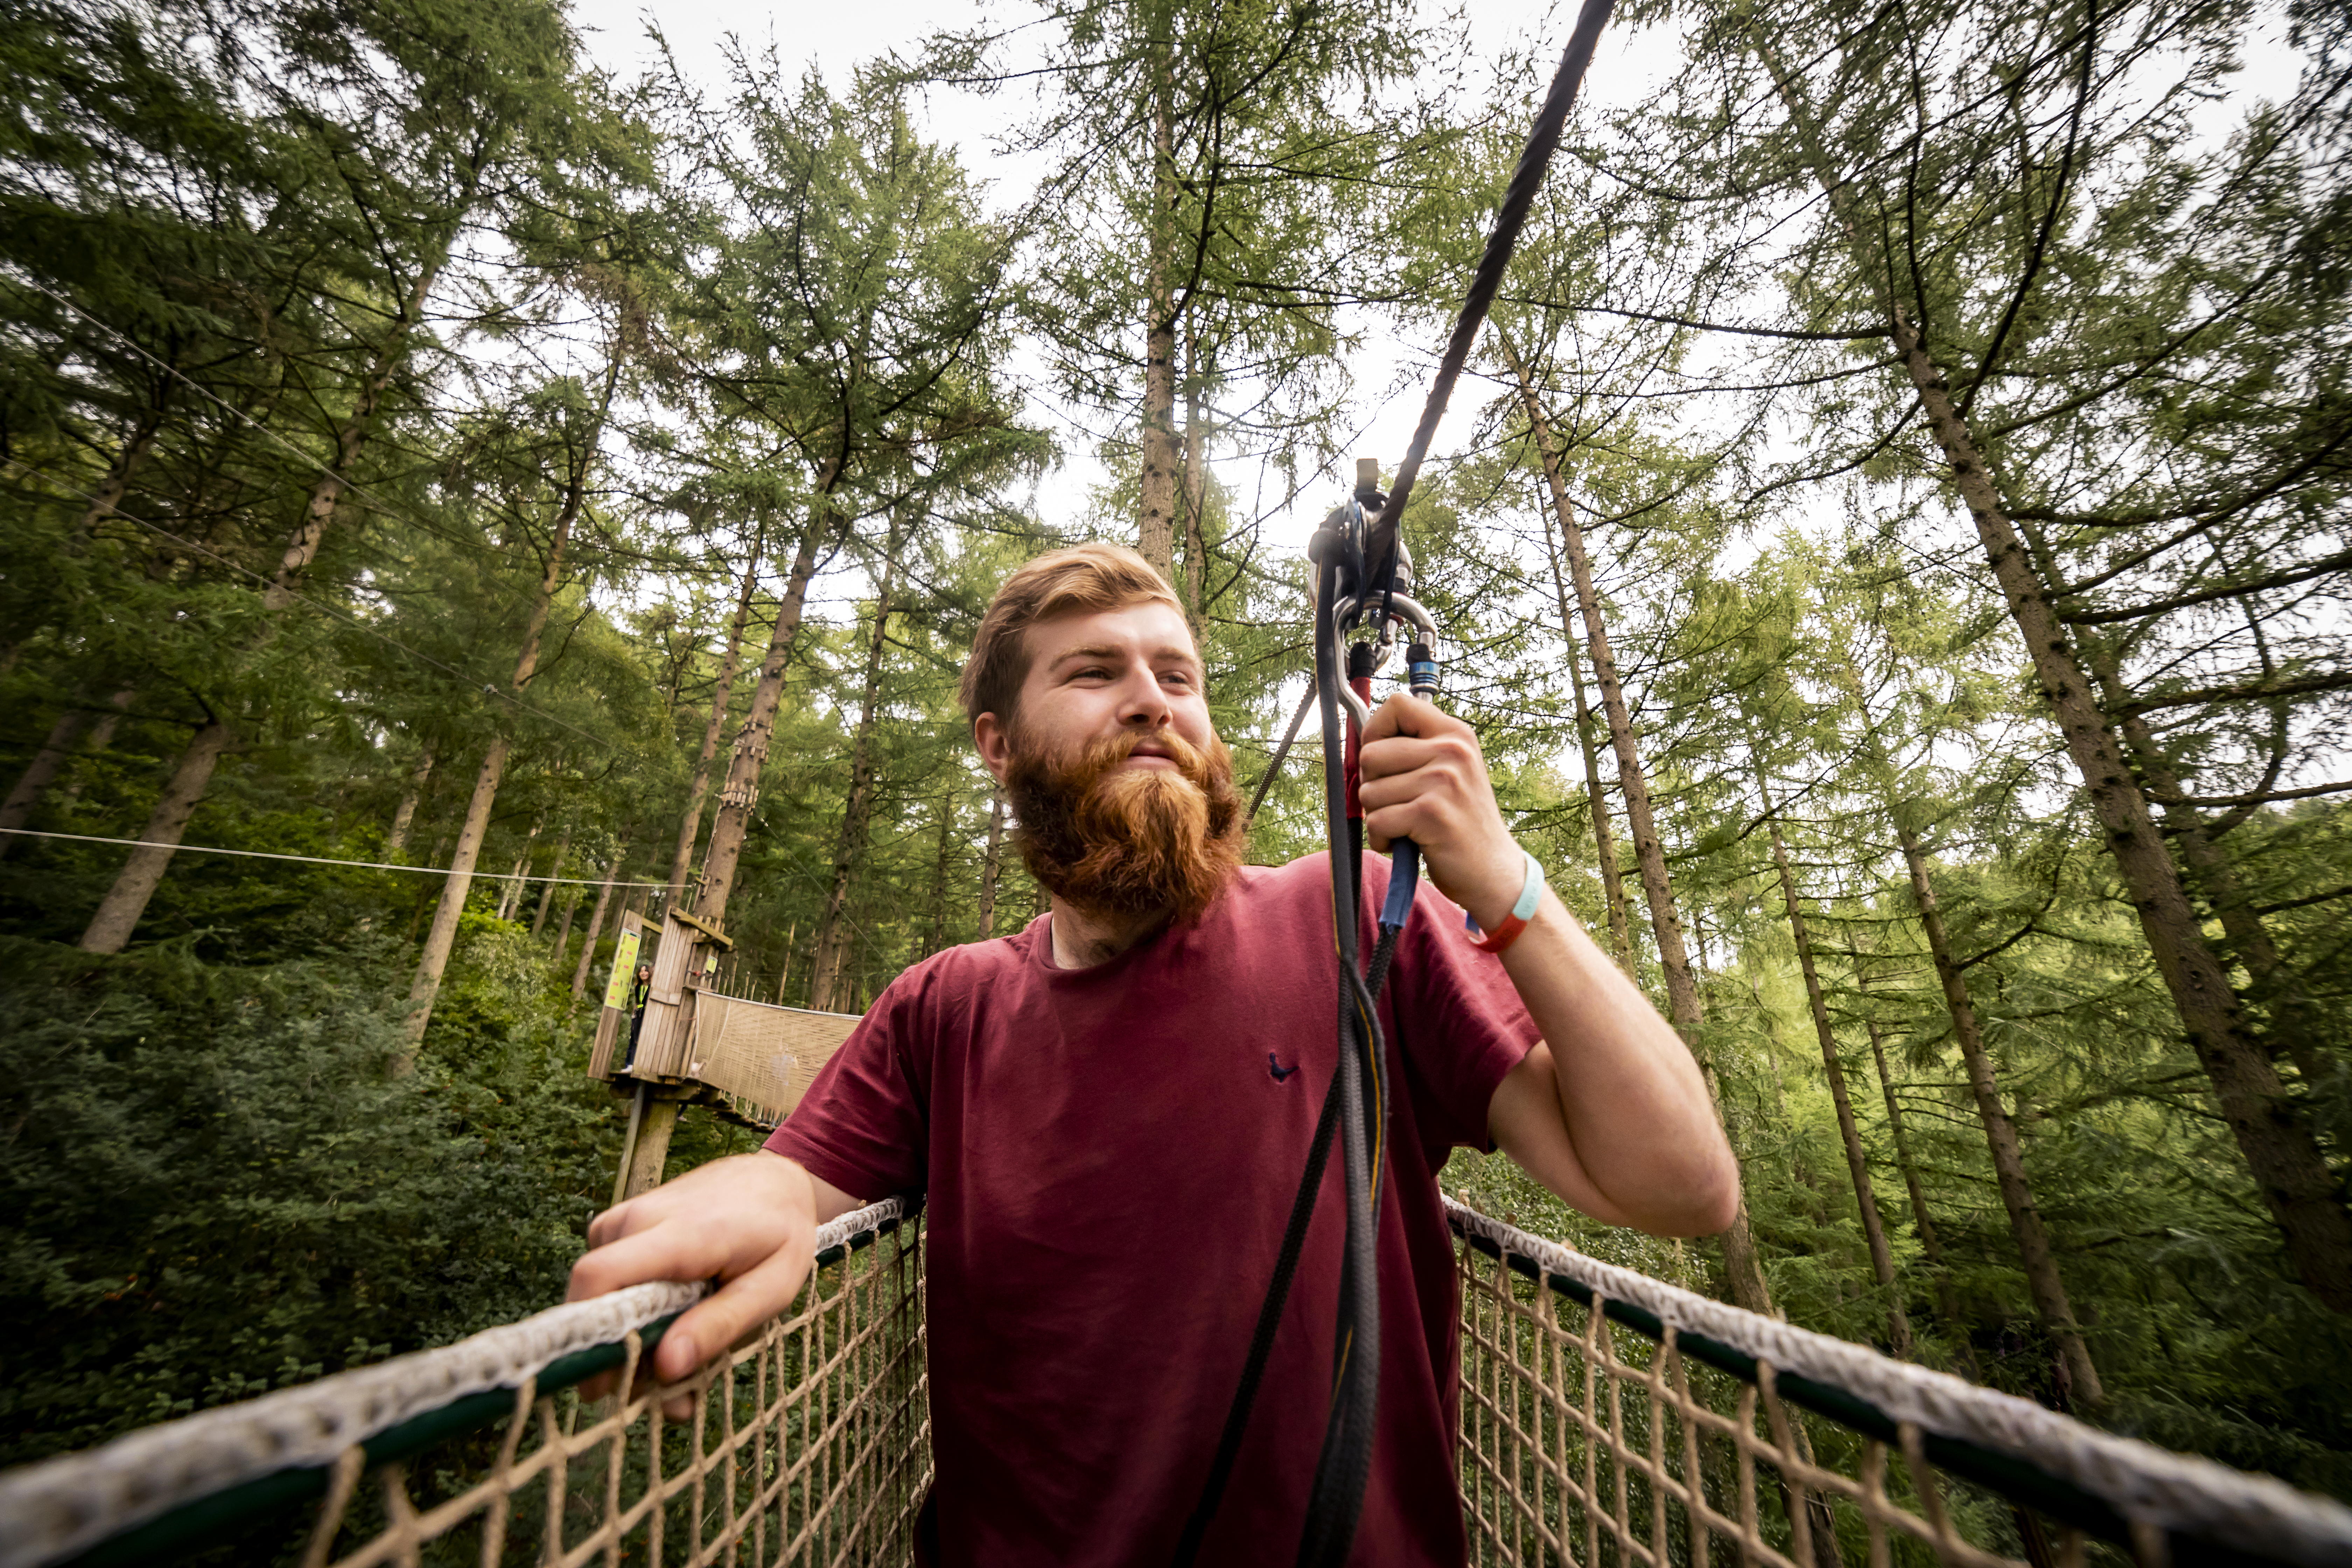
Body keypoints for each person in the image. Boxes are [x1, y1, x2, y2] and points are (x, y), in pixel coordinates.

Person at [569, 543, 1738, 1566]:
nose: (1152, 702)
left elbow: (1682, 1187)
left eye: (1178, 677)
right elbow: (795, 1178)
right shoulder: (945, 1007)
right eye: (1094, 673)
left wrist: (1502, 879)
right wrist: (752, 1202)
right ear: (998, 744)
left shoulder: (1352, 922)